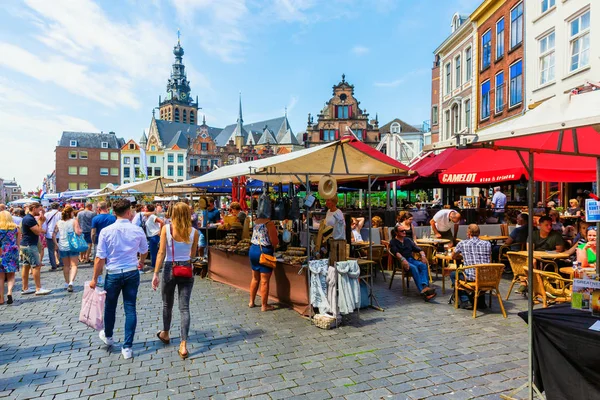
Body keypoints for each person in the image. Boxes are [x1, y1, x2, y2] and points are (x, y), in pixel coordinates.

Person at [90, 199, 148, 360]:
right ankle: (127, 347)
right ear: (129, 212)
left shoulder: (106, 231)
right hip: (131, 271)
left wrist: (95, 278)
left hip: (114, 272)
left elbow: (99, 257)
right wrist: (141, 262)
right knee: (130, 307)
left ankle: (108, 336)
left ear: (113, 212)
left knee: (110, 306)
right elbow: (144, 250)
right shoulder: (137, 230)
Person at [153, 202, 199, 359]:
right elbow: (192, 256)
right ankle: (183, 344)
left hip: (169, 267)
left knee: (167, 304)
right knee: (184, 308)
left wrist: (155, 273)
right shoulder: (194, 232)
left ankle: (165, 333)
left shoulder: (167, 228)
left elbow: (161, 252)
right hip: (186, 269)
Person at [389, 225, 436, 301]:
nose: (404, 232)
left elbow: (418, 249)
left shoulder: (408, 240)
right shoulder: (393, 242)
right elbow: (396, 252)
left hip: (411, 260)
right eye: (402, 231)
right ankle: (423, 291)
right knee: (414, 268)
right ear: (396, 232)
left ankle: (425, 287)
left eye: (405, 230)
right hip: (401, 262)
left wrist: (423, 256)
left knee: (423, 265)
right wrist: (403, 260)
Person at [451, 224, 492, 309]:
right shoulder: (487, 244)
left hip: (471, 278)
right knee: (480, 270)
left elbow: (453, 256)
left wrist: (463, 256)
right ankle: (480, 301)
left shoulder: (462, 243)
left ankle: (465, 300)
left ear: (468, 233)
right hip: (487, 277)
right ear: (479, 233)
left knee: (454, 274)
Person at [248, 209, 279, 311]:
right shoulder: (269, 224)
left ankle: (251, 302)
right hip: (264, 252)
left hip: (253, 249)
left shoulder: (256, 221)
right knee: (264, 281)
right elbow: (274, 241)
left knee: (255, 278)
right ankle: (264, 305)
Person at [20, 202, 51, 296]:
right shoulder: (29, 219)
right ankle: (38, 288)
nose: (40, 211)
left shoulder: (28, 218)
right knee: (36, 266)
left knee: (26, 266)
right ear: (34, 208)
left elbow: (37, 229)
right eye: (39, 209)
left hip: (25, 244)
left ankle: (25, 288)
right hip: (30, 245)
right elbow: (38, 232)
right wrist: (41, 222)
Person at [54, 205, 82, 292]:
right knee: (74, 265)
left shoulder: (58, 222)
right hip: (72, 245)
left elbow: (53, 234)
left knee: (66, 265)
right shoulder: (74, 221)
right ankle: (71, 282)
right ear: (70, 213)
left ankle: (66, 282)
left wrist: (56, 244)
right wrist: (80, 231)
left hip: (62, 245)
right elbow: (77, 232)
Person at [0, 211, 20, 305]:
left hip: (1, 252)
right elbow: (18, 242)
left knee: (1, 277)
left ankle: (1, 298)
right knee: (11, 275)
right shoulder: (15, 228)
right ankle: (9, 292)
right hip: (12, 251)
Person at [144, 205, 164, 274]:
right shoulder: (148, 216)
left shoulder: (152, 216)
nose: (144, 209)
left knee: (153, 252)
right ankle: (155, 265)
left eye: (145, 208)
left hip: (154, 235)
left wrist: (160, 231)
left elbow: (161, 222)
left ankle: (154, 266)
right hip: (151, 236)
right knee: (153, 252)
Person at [42, 203, 61, 270]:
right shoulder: (60, 214)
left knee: (51, 250)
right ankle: (61, 263)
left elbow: (44, 225)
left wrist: (45, 233)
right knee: (60, 249)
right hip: (59, 234)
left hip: (49, 234)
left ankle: (53, 265)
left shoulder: (47, 214)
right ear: (58, 207)